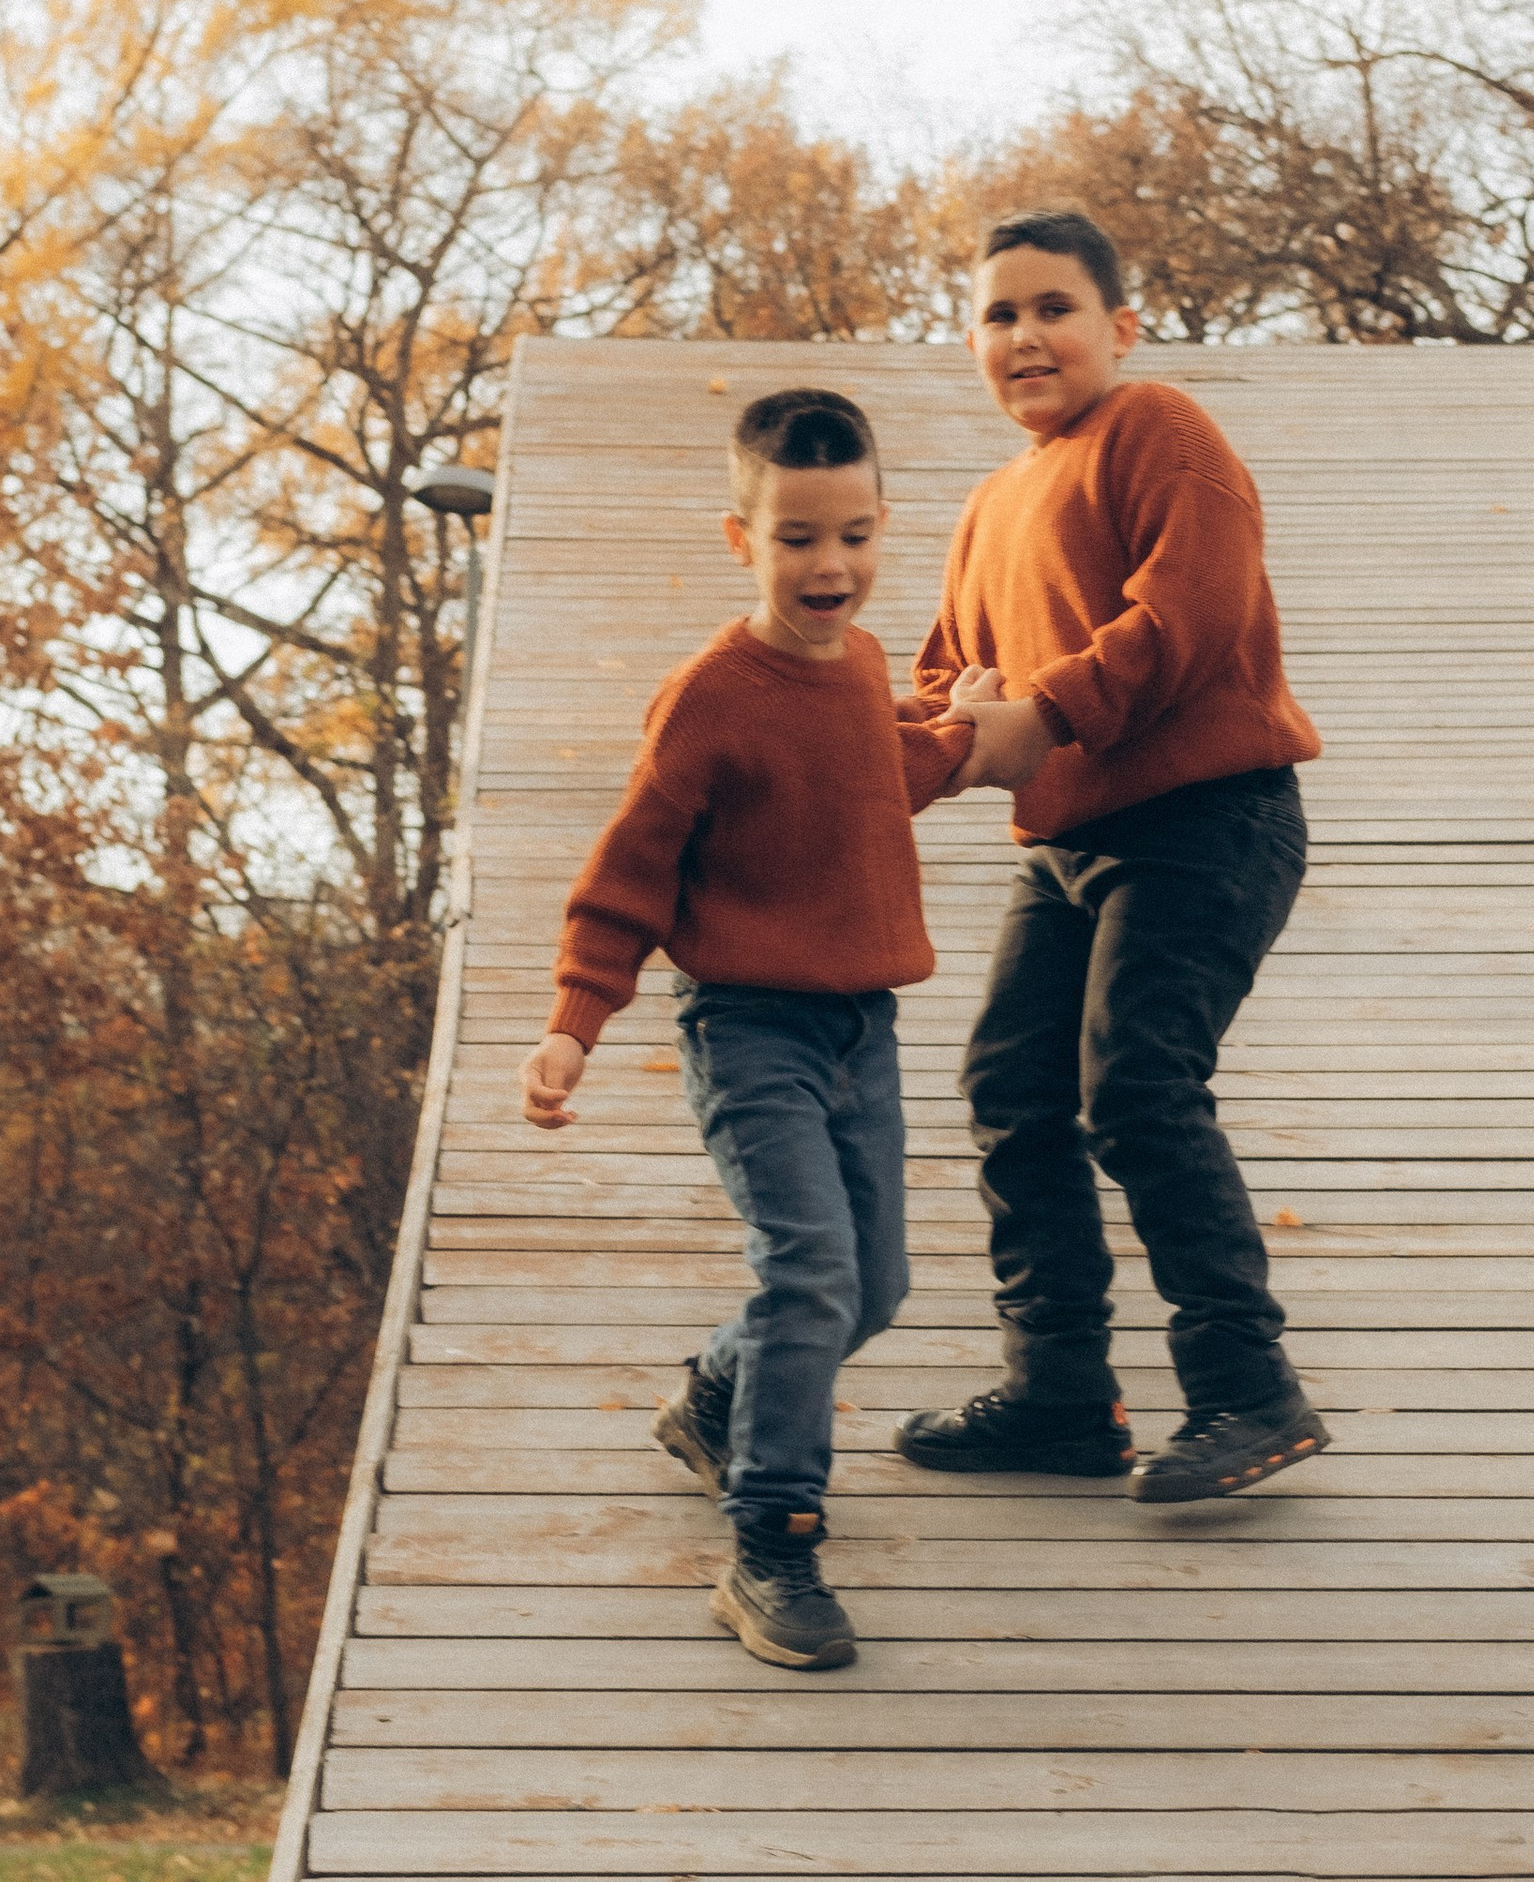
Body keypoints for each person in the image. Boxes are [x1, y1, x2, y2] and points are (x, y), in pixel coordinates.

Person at [518, 386, 986, 1671]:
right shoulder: (710, 696)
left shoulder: (870, 667)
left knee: (872, 1284)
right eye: (795, 539)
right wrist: (575, 1021)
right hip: (747, 1029)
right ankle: (771, 1541)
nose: (827, 566)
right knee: (811, 1269)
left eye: (851, 535)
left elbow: (873, 781)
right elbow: (630, 870)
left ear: (883, 525)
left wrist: (960, 740)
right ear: (743, 539)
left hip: (861, 1028)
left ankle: (717, 1397)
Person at [893, 209, 1331, 1506]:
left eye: (1053, 307)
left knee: (1136, 1081)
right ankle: (1062, 1396)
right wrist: (945, 716)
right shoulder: (988, 506)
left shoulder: (1159, 433)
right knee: (1011, 1089)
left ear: (1119, 327)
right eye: (997, 314)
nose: (1024, 334)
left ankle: (1249, 1389)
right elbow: (937, 677)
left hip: (1211, 818)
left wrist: (1047, 712)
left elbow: (1186, 615)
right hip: (1071, 844)